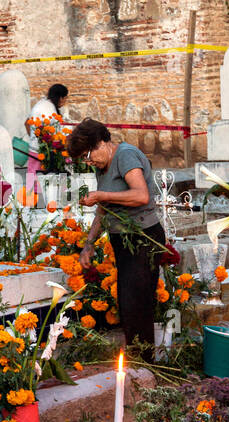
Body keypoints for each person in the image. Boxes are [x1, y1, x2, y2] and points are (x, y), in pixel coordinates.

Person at [67, 118, 166, 360]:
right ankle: (139, 362)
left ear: (102, 142)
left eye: (89, 155)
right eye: (84, 159)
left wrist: (101, 194)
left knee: (137, 303)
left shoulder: (125, 155)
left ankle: (145, 365)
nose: (89, 162)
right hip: (123, 240)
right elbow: (104, 208)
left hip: (142, 238)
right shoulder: (102, 168)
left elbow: (141, 195)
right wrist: (88, 245)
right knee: (128, 303)